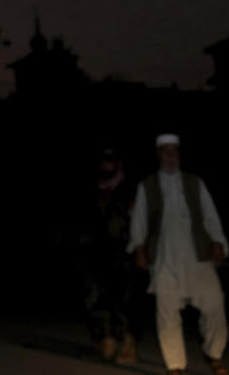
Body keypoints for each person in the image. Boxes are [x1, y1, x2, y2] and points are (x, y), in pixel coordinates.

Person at [128, 134, 229, 375]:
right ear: (158, 155)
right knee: (167, 314)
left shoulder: (195, 182)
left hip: (198, 258)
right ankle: (174, 365)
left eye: (174, 151)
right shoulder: (147, 186)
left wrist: (218, 243)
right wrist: (138, 248)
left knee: (215, 305)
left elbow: (211, 216)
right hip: (164, 261)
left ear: (180, 154)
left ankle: (214, 353)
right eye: (165, 151)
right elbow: (139, 222)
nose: (170, 156)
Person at [79, 147, 142, 364]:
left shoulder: (130, 190)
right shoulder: (92, 190)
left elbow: (140, 223)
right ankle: (106, 340)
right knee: (95, 299)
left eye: (111, 161)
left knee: (125, 303)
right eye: (103, 161)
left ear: (119, 164)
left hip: (124, 254)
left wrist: (139, 249)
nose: (106, 165)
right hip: (96, 254)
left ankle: (127, 344)